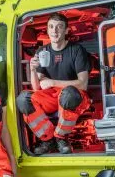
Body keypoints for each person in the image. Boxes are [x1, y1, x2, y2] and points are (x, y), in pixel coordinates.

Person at [16, 13, 92, 155]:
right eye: (51, 27)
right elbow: (37, 88)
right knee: (23, 99)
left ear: (66, 30)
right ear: (47, 29)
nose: (54, 31)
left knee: (68, 94)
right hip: (51, 96)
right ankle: (48, 139)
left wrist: (53, 82)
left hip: (75, 95)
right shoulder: (42, 51)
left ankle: (61, 137)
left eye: (59, 27)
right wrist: (32, 70)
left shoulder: (76, 50)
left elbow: (83, 84)